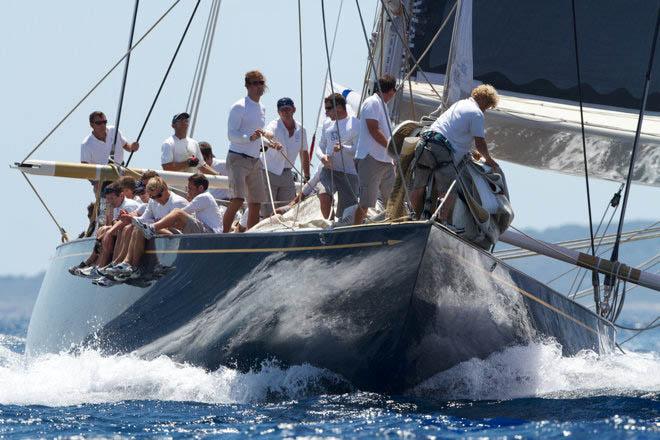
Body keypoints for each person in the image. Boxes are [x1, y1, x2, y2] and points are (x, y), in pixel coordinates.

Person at [410, 84, 500, 220]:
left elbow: (453, 131)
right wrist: (488, 158)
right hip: (442, 151)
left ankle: (412, 218)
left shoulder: (460, 104)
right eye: (487, 106)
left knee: (419, 186)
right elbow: (480, 142)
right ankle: (440, 223)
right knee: (448, 193)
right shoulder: (477, 113)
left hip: (426, 142)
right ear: (483, 100)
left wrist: (470, 151)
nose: (485, 110)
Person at [223, 70, 276, 232]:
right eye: (254, 83)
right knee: (237, 199)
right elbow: (231, 134)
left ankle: (250, 236)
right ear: (247, 86)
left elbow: (257, 134)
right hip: (237, 158)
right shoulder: (239, 106)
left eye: (261, 83)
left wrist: (270, 143)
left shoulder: (262, 108)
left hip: (254, 159)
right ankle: (223, 234)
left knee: (256, 202)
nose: (258, 86)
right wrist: (249, 138)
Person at [107, 177, 188, 278]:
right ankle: (126, 265)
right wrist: (129, 218)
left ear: (165, 188)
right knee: (133, 227)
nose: (157, 199)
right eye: (153, 197)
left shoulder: (178, 202)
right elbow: (143, 219)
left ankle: (132, 267)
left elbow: (182, 227)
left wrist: (150, 224)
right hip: (160, 236)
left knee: (139, 228)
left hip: (177, 238)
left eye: (158, 195)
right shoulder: (153, 202)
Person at [353, 75, 397, 225]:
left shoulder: (382, 105)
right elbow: (373, 129)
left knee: (393, 200)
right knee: (366, 202)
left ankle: (391, 229)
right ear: (392, 91)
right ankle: (354, 231)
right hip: (371, 159)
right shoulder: (372, 102)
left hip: (386, 161)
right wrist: (392, 148)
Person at [133, 173, 224, 238]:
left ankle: (151, 228)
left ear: (200, 188)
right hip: (207, 231)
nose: (188, 191)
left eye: (190, 188)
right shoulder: (204, 198)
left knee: (177, 212)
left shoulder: (204, 197)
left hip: (211, 234)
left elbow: (182, 212)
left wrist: (161, 221)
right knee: (176, 219)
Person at [261, 97, 310, 216]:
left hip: (287, 173)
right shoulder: (273, 126)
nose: (285, 112)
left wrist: (307, 176)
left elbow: (304, 153)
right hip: (269, 171)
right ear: (278, 112)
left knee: (289, 208)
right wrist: (272, 144)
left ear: (294, 110)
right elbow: (264, 137)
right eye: (282, 110)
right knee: (268, 209)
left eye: (288, 109)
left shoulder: (301, 130)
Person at [315, 93, 359, 219]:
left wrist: (343, 148)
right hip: (329, 170)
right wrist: (322, 157)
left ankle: (337, 225)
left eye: (328, 109)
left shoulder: (355, 123)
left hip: (349, 173)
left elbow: (358, 150)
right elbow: (320, 146)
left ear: (339, 107)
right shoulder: (327, 124)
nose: (326, 113)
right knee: (323, 194)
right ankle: (330, 223)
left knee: (346, 213)